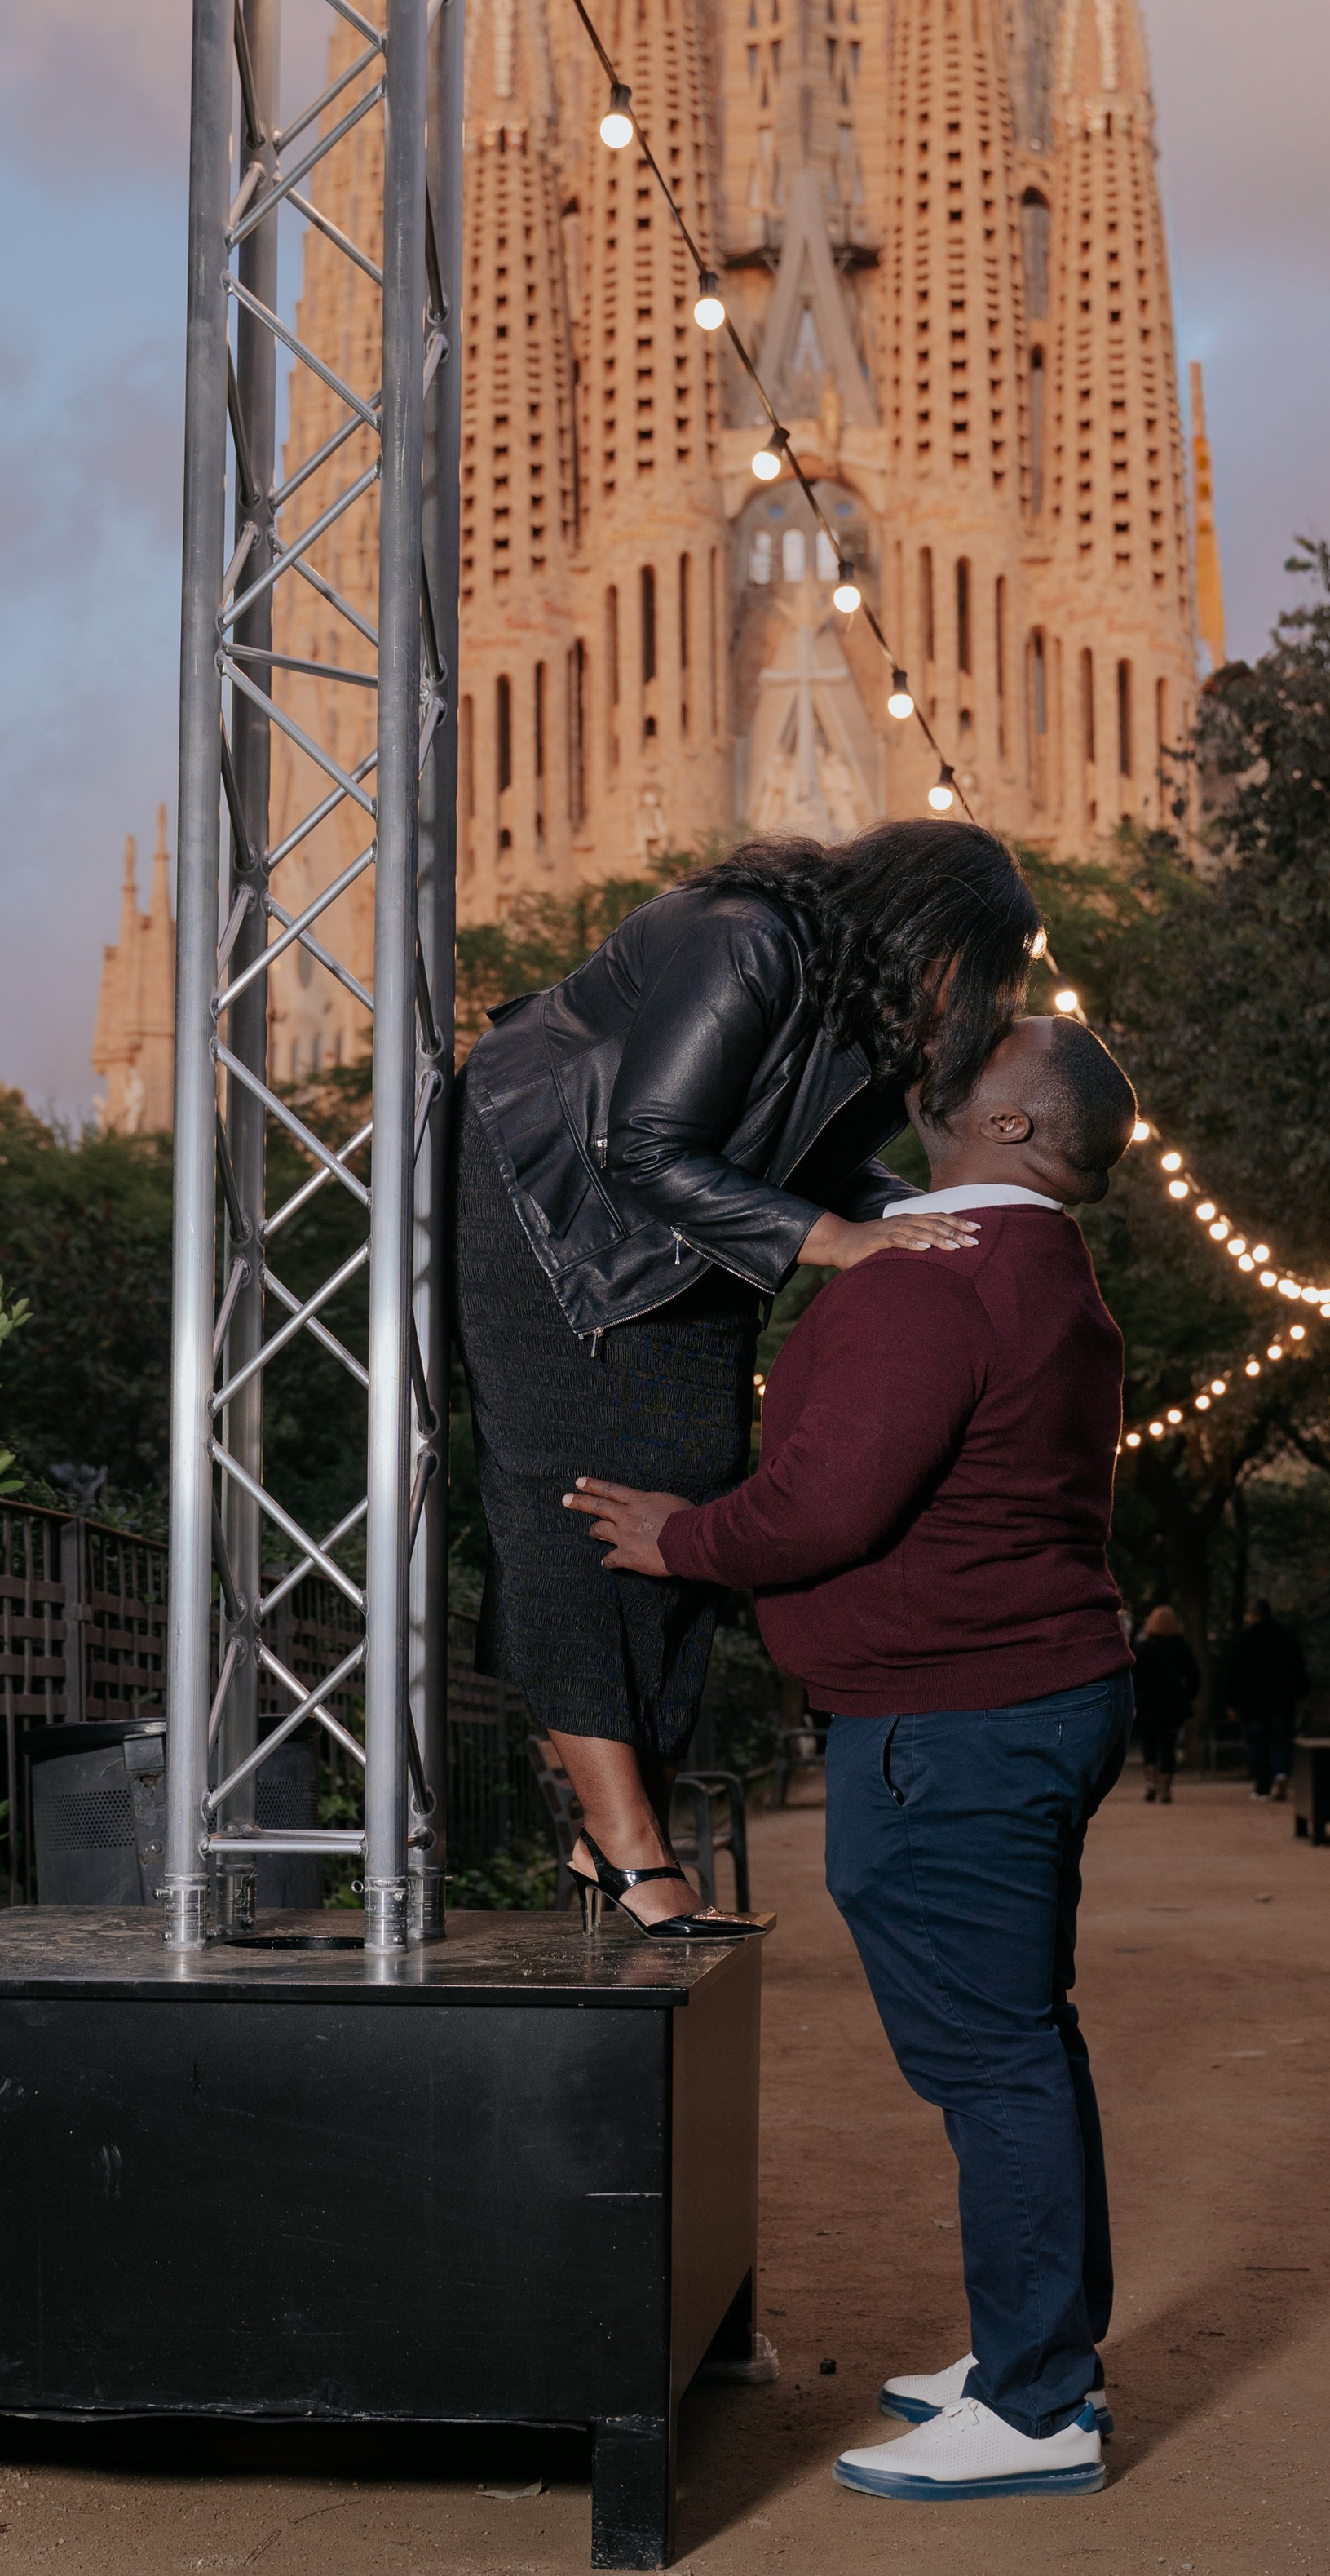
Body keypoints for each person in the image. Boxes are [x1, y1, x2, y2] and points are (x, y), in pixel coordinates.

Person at [569, 1014, 1138, 2499]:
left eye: (991, 1053)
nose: (952, 1054)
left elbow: (824, 1506)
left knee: (994, 2061)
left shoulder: (928, 1286)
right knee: (1026, 2039)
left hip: (955, 1725)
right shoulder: (1036, 1269)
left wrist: (678, 1537)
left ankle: (1034, 2410)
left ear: (1012, 1128)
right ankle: (1039, 2348)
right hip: (1026, 1700)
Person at [455, 822, 1041, 1937]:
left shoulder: (876, 1015)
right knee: (570, 1504)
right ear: (919, 920)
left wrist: (927, 1223)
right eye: (972, 959)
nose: (974, 993)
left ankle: (616, 1834)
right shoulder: (748, 939)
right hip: (548, 1197)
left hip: (694, 1222)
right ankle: (627, 1854)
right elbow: (646, 1145)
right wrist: (840, 1240)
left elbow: (809, 1157)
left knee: (695, 1490)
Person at [1219, 1596, 1310, 1799]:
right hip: (1282, 1699)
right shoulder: (1286, 1636)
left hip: (1253, 1702)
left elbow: (1234, 1673)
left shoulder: (1244, 1640)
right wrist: (1301, 1693)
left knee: (1257, 1744)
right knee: (1282, 1739)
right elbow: (1298, 1667)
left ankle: (1262, 1788)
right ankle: (1281, 1772)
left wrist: (1231, 1702)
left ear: (1252, 1615)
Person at [1131, 1605, 1199, 1802]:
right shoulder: (1181, 1647)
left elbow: (1135, 1677)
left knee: (1149, 1745)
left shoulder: (1143, 1647)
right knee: (1168, 1747)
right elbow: (1193, 1676)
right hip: (1172, 1706)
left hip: (1147, 1705)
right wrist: (1188, 1696)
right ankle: (1166, 1789)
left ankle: (1151, 1783)